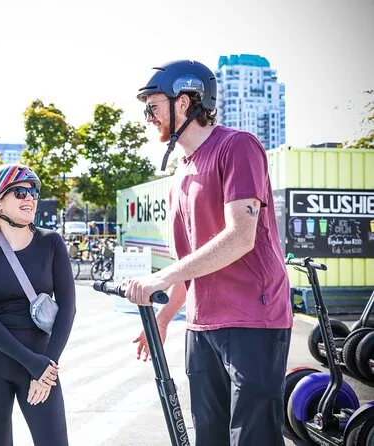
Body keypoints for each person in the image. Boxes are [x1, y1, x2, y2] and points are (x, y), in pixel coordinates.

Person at [126, 60, 292, 446]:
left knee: (253, 438)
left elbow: (240, 237)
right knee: (209, 437)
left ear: (184, 102)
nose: (148, 117)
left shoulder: (237, 146)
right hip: (201, 325)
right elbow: (188, 263)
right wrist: (165, 317)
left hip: (253, 319)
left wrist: (161, 278)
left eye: (153, 107)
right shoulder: (180, 174)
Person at [0, 163, 76, 446]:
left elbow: (68, 308)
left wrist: (46, 367)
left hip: (41, 361)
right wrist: (32, 362)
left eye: (33, 192)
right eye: (20, 192)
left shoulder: (52, 242)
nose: (30, 198)